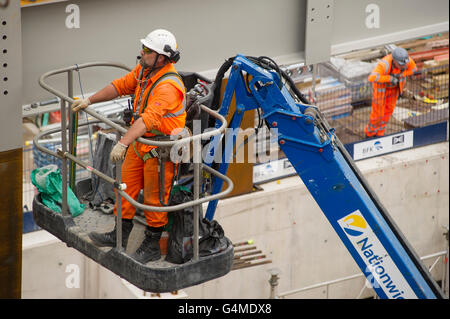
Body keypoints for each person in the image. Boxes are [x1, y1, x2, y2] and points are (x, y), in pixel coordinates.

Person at [72, 29, 186, 264]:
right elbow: (120, 85)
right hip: (140, 142)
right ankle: (119, 234)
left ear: (161, 58)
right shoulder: (145, 72)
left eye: (146, 50)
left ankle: (152, 246)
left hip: (159, 149)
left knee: (156, 200)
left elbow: (149, 119)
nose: (141, 53)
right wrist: (89, 100)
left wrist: (122, 143)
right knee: (124, 187)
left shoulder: (168, 87)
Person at [364, 47, 417, 138]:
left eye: (404, 64)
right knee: (378, 114)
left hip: (394, 89)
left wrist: (401, 75)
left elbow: (414, 69)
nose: (403, 67)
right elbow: (372, 78)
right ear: (394, 61)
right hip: (381, 90)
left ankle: (379, 134)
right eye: (400, 65)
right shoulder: (384, 64)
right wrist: (389, 78)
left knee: (388, 111)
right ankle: (369, 134)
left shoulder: (406, 61)